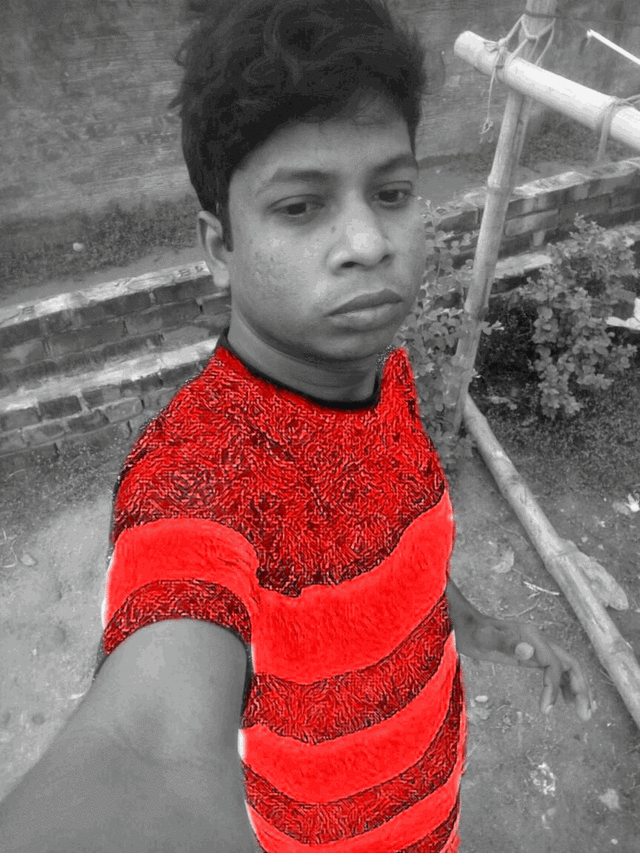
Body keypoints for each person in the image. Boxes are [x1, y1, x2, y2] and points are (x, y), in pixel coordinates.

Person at [0, 1, 593, 851]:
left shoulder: (380, 369)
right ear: (219, 245)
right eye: (301, 206)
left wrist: (471, 624)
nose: (368, 241)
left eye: (391, 193)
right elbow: (144, 748)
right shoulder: (202, 476)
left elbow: (398, 551)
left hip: (434, 809)